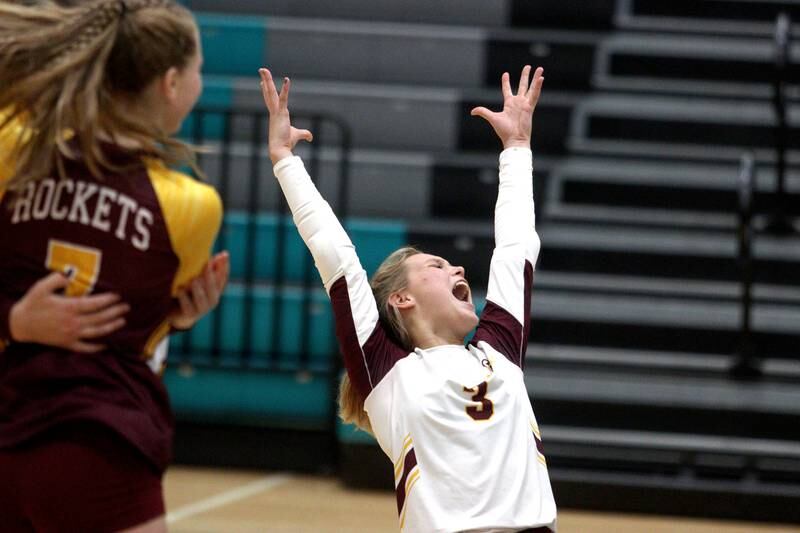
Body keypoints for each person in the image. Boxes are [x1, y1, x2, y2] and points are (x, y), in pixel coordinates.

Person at [260, 64, 556, 532]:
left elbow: (517, 247)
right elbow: (335, 255)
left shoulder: (500, 349)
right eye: (436, 266)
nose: (458, 268)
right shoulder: (385, 371)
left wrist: (517, 149)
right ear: (400, 299)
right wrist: (285, 161)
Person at [0, 1, 227, 531]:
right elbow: (139, 327)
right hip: (104, 435)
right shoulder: (191, 206)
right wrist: (176, 315)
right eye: (198, 69)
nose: (200, 82)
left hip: (10, 419)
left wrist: (15, 321)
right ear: (171, 83)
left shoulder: (17, 152)